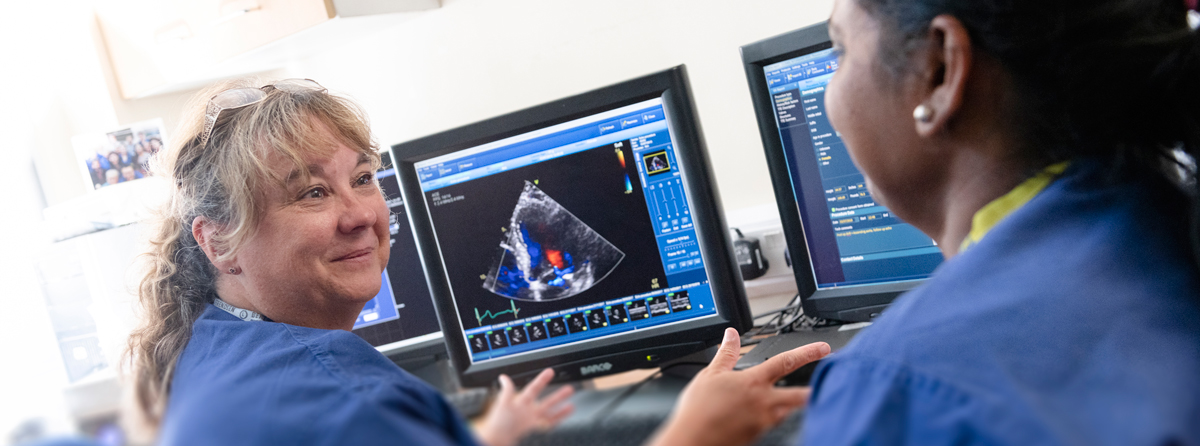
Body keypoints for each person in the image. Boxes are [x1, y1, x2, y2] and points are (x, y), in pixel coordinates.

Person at [123, 78, 827, 446]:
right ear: (216, 240)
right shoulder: (341, 393)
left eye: (363, 177)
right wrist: (696, 431)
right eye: (311, 192)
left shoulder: (208, 350)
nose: (360, 214)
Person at [798, 0, 1200, 444]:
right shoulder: (1169, 227)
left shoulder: (896, 389)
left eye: (839, 51)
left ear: (940, 72)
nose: (831, 94)